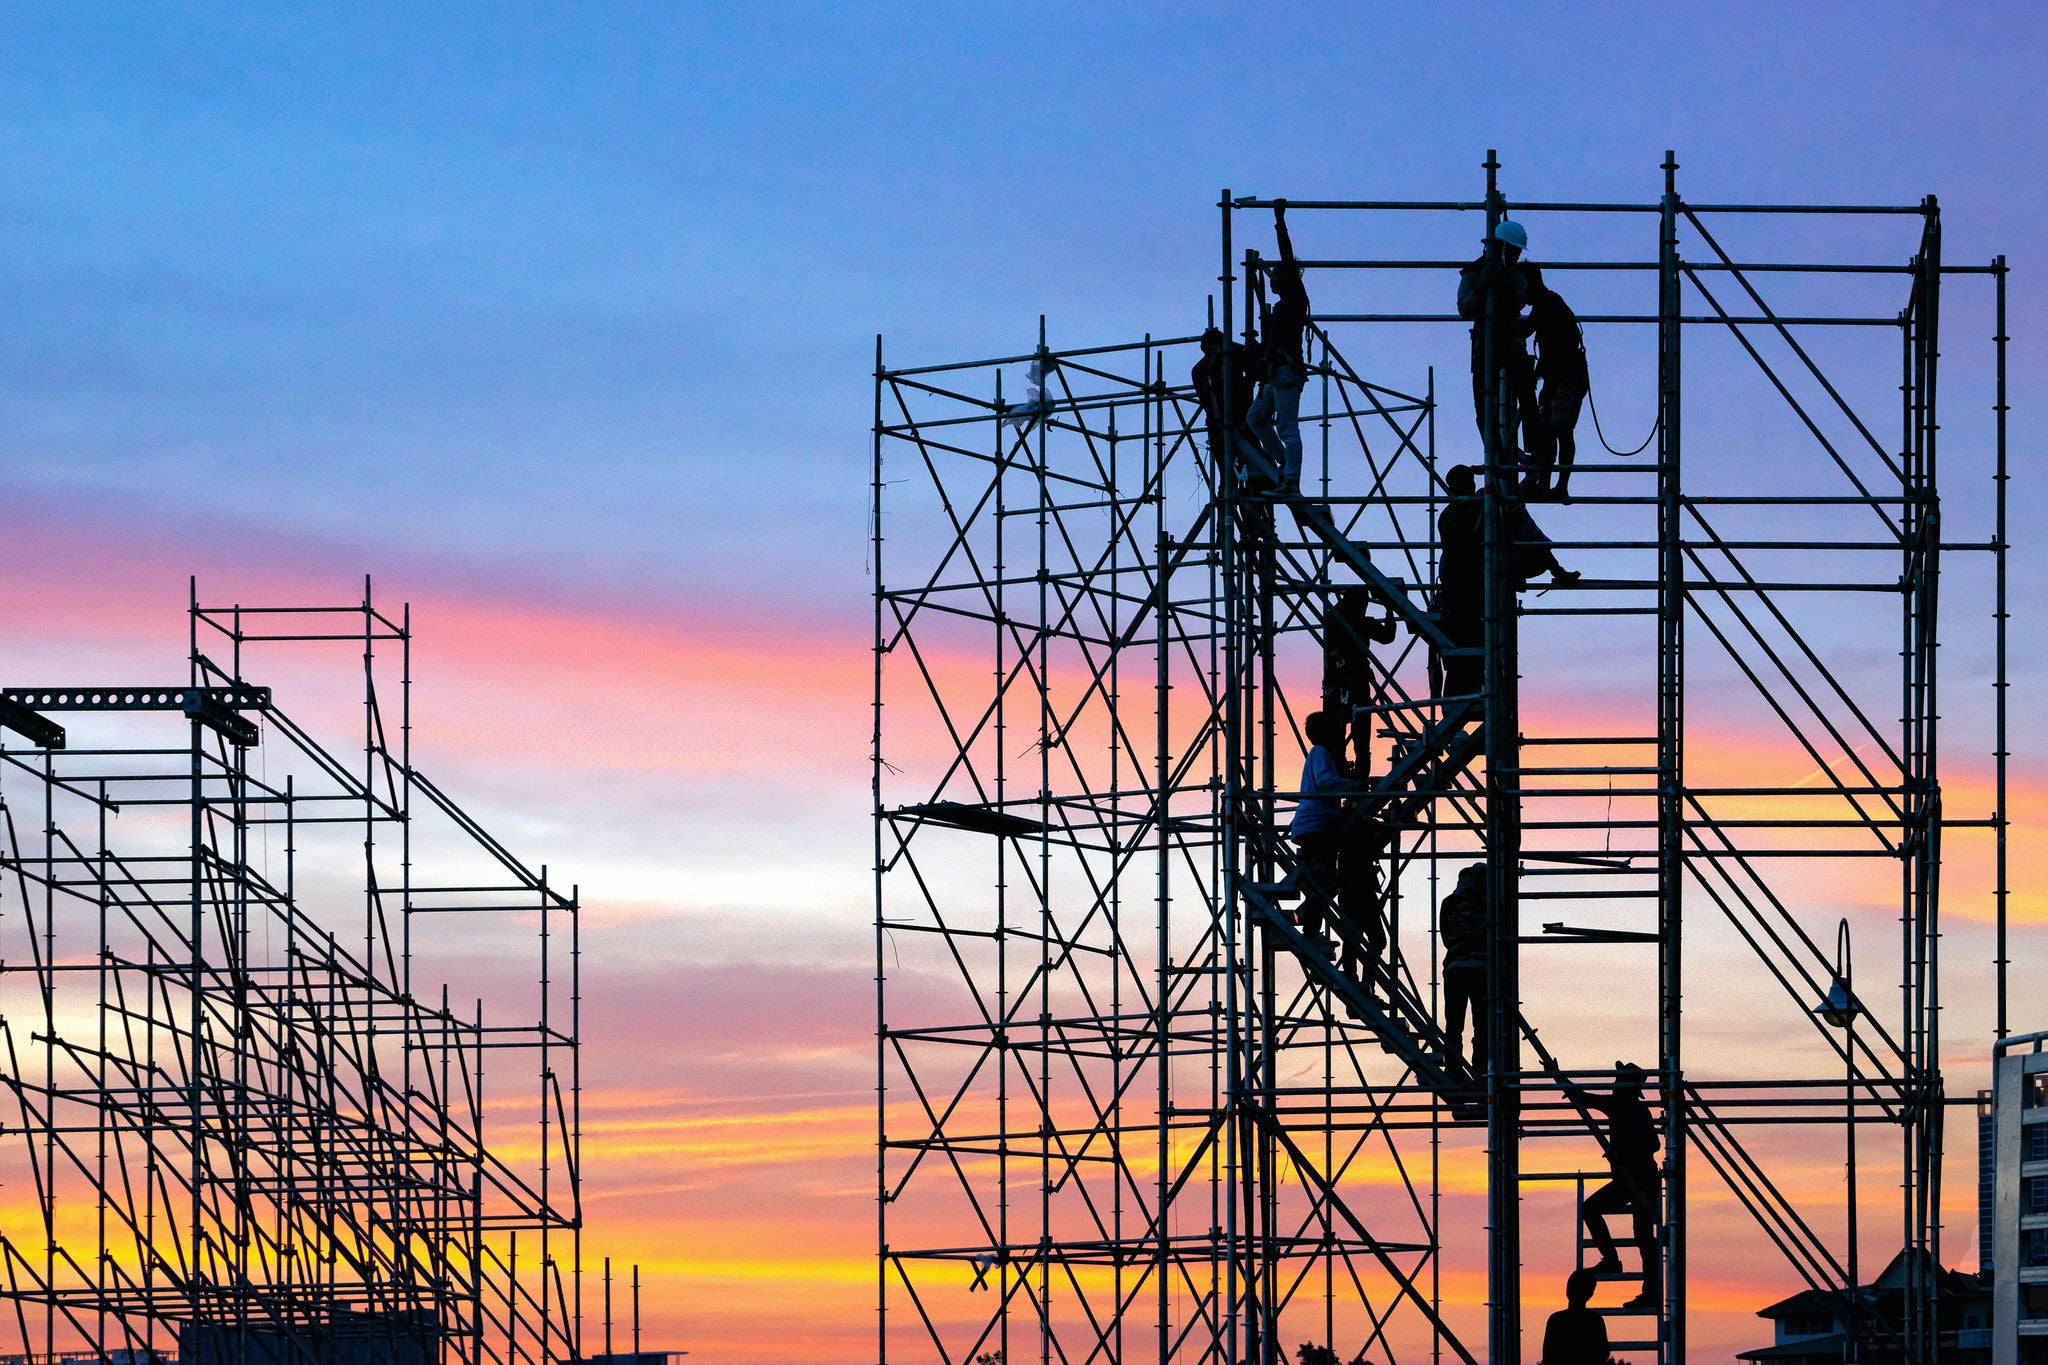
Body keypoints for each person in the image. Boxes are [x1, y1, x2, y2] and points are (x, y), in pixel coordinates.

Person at [1563, 1062, 1663, 1312]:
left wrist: (1624, 1152)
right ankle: (1610, 1260)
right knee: (1591, 1209)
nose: (1615, 1085)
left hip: (1642, 1180)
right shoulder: (1617, 1104)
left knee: (1643, 1235)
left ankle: (1650, 1291)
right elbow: (1589, 1099)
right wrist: (1567, 1085)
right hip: (1625, 1181)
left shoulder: (1636, 1110)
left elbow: (1653, 1145)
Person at [1456, 220, 1544, 462]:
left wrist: (1501, 279)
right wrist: (1483, 286)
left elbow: (1519, 300)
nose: (1515, 256)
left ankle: (1534, 451)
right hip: (1485, 344)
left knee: (1526, 395)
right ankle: (1497, 452)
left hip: (1511, 342)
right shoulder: (1474, 274)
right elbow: (1464, 307)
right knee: (1484, 403)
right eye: (1512, 250)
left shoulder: (1516, 276)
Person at [1250, 201, 1311, 493]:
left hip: (1286, 370)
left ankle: (1292, 479)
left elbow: (1287, 257)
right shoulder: (1281, 307)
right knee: (1256, 418)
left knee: (1288, 427)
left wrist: (1279, 221)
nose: (1272, 279)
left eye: (1276, 275)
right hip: (1276, 372)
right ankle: (1287, 468)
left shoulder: (1296, 299)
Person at [1525, 281, 1589, 501]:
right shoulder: (1544, 305)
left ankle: (1560, 486)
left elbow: (1553, 348)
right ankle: (1546, 484)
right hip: (1556, 378)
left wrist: (1534, 374)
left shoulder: (1550, 305)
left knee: (1561, 430)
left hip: (1567, 377)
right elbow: (1526, 330)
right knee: (1546, 431)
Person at [1288, 711, 1348, 942]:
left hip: (1314, 826)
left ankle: (1308, 923)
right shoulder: (1320, 753)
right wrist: (1352, 785)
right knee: (1326, 881)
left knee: (1324, 881)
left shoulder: (1317, 754)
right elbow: (1325, 782)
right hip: (1317, 827)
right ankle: (1309, 928)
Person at [1192, 327, 1258, 487]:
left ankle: (1232, 505)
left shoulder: (1203, 368)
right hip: (1231, 423)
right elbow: (1253, 364)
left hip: (1225, 424)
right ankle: (1231, 506)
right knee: (1240, 474)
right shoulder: (1208, 368)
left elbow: (1251, 366)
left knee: (1234, 476)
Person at [1439, 864, 1488, 1076]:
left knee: (1454, 1025)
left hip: (1455, 969)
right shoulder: (1489, 902)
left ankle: (1453, 1068)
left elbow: (1445, 938)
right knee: (1483, 1026)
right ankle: (1480, 1071)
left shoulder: (1449, 903)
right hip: (1481, 970)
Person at [1540, 1269, 1611, 1365]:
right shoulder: (1595, 1320)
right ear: (1590, 1294)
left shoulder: (1556, 1320)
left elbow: (1548, 1357)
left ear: (1567, 1290)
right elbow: (1603, 1353)